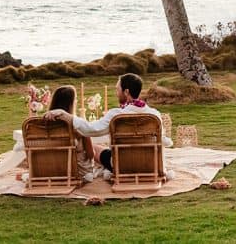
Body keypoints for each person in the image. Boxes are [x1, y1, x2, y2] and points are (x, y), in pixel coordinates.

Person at [44, 73, 172, 175]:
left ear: (126, 92)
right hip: (150, 164)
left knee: (97, 147)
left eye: (117, 89)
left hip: (123, 165)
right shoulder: (154, 114)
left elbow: (90, 130)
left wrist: (64, 114)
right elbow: (163, 140)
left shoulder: (116, 115)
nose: (116, 93)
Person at [47, 85, 100, 182]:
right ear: (71, 103)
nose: (77, 101)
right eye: (75, 99)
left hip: (51, 170)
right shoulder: (78, 125)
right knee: (98, 149)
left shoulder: (43, 124)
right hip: (77, 171)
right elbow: (91, 154)